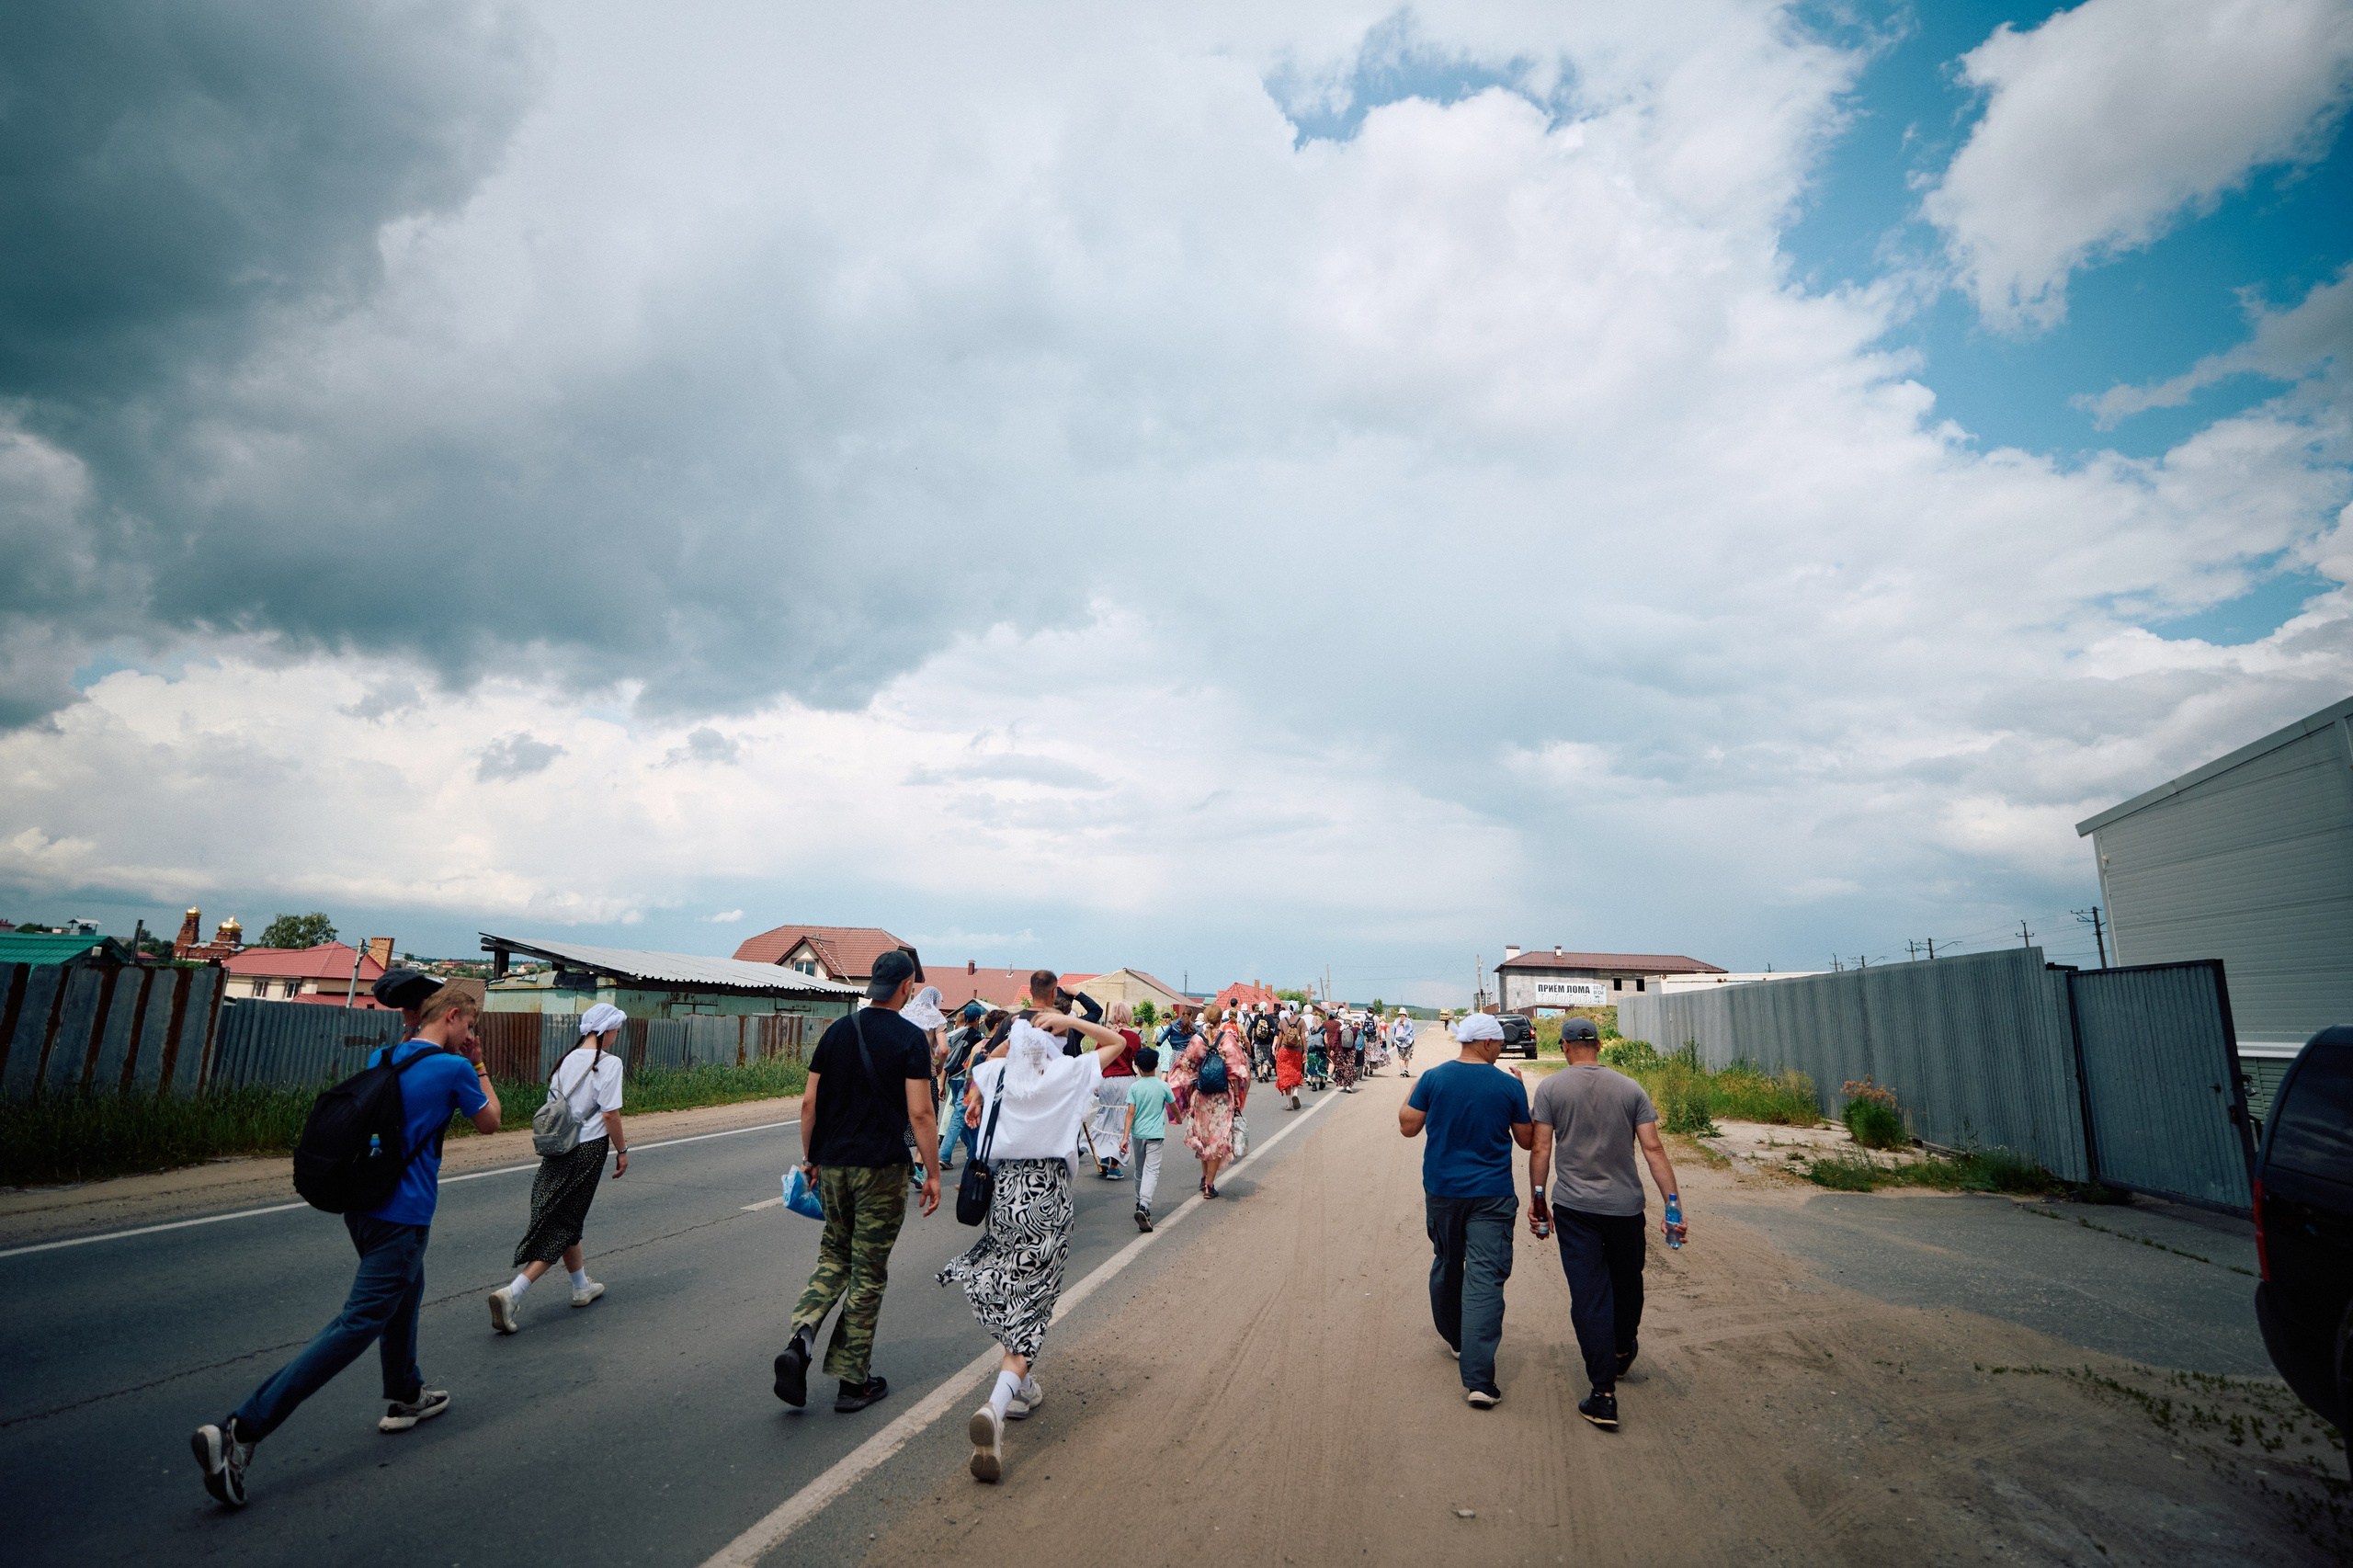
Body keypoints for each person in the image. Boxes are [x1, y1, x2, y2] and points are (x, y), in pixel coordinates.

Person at [192, 986, 501, 1507]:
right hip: (403, 1215)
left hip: (363, 1207)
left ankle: (406, 1392)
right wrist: (479, 1063)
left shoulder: (383, 1057)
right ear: (452, 1016)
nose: (470, 1036)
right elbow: (491, 1121)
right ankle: (241, 1430)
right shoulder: (454, 1069)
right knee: (358, 1323)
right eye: (469, 1026)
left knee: (406, 1290)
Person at [947, 1006, 1131, 1483]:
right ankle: (996, 1406)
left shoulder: (997, 1076)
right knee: (1034, 1305)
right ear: (1052, 1042)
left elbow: (983, 1058)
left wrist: (1015, 1035)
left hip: (1005, 1194)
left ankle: (1022, 1388)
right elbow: (1117, 1043)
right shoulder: (1067, 1074)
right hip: (1048, 1196)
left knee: (1012, 1289)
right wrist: (1071, 1024)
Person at [773, 949, 941, 1415]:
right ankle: (853, 1382)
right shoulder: (910, 1039)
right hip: (881, 1171)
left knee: (834, 1254)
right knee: (868, 1272)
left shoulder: (837, 1031)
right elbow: (921, 1113)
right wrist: (932, 1172)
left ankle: (801, 1338)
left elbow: (809, 1104)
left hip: (833, 1166)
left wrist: (811, 1159)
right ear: (906, 987)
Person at [1528, 1016, 1688, 1432]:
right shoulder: (1631, 1088)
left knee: (1589, 1296)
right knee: (1627, 1282)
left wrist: (1538, 1200)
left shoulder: (1550, 1089)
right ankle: (1620, 1349)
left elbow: (1540, 1149)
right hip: (1625, 1208)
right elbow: (1653, 1149)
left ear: (1564, 1046)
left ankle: (1602, 1394)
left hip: (1575, 1208)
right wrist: (1672, 1206)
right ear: (1599, 1045)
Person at [1398, 1012, 1532, 1409]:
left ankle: (1457, 1338)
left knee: (1447, 1262)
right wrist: (1521, 1092)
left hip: (1443, 1192)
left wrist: (1414, 1091)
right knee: (1485, 1279)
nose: (1501, 1051)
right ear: (1487, 1043)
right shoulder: (1508, 1085)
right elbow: (1526, 1140)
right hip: (1492, 1195)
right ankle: (1479, 1381)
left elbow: (1407, 1127)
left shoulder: (1434, 1078)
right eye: (1500, 1044)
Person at [488, 1003, 628, 1334]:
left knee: (566, 1217)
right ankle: (513, 1292)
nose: (617, 1035)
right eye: (616, 1029)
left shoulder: (566, 1060)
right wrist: (622, 1150)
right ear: (606, 1030)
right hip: (588, 1149)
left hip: (557, 1146)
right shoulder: (609, 1063)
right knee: (564, 1224)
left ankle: (581, 1287)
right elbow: (610, 1114)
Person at [1168, 1005, 1250, 1197]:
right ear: (1220, 1019)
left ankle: (1204, 1177)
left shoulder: (1197, 1040)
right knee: (1217, 1140)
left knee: (1204, 1139)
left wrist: (1186, 1092)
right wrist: (1237, 1096)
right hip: (1222, 1097)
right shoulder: (1227, 1040)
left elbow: (1185, 1067)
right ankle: (1210, 1185)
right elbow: (1239, 1070)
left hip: (1201, 1096)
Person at [1085, 1003, 1142, 1177]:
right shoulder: (1133, 1037)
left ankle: (1103, 1154)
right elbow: (1138, 1060)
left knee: (1105, 1116)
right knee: (1121, 1121)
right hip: (1125, 1081)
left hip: (1106, 1080)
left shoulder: (1107, 1035)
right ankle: (1114, 1165)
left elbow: (1097, 1059)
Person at [1121, 1046, 1176, 1231]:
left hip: (1138, 1135)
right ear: (1157, 1065)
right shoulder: (1163, 1085)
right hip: (1155, 1135)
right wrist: (1178, 1117)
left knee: (1139, 1170)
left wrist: (1125, 1138)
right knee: (1151, 1170)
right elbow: (1173, 1106)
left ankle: (1139, 1202)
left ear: (1137, 1066)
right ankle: (1144, 1205)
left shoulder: (1135, 1087)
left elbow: (1130, 1113)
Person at [903, 983, 951, 1187]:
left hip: (902, 1073)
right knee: (928, 1119)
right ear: (935, 1001)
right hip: (925, 1073)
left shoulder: (906, 1014)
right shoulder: (936, 1018)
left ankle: (900, 1163)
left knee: (903, 1116)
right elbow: (944, 1049)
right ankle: (918, 1168)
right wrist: (940, 1066)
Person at [938, 1003, 994, 1172]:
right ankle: (943, 1155)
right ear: (976, 1019)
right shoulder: (979, 1037)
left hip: (952, 1079)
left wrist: (942, 1081)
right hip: (966, 1080)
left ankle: (972, 1152)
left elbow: (944, 1057)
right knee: (960, 1115)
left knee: (964, 1115)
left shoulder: (952, 1034)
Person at [1274, 1011, 1307, 1110]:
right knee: (1295, 1072)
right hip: (1296, 1051)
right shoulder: (1301, 1021)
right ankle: (1295, 1093)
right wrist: (1305, 1051)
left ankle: (1289, 1104)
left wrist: (1277, 1049)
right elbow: (1303, 1037)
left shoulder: (1283, 1021)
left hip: (1285, 1050)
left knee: (1285, 1075)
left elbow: (1280, 1037)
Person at [1325, 1010, 1357, 1093]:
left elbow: (1335, 1039)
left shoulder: (1339, 1029)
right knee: (1350, 1067)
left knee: (1342, 1067)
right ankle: (1349, 1085)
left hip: (1341, 1050)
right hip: (1351, 1051)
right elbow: (1355, 1039)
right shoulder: (1354, 1030)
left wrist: (1332, 1049)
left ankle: (1344, 1085)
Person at [1390, 1012, 1417, 1077]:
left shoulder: (1396, 1021)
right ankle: (1406, 1070)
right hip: (1408, 1042)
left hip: (1399, 1042)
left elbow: (1393, 1031)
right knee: (1407, 1056)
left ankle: (1401, 1072)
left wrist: (1392, 1041)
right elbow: (1412, 1032)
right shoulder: (1409, 1021)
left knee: (1401, 1057)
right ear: (1405, 1014)